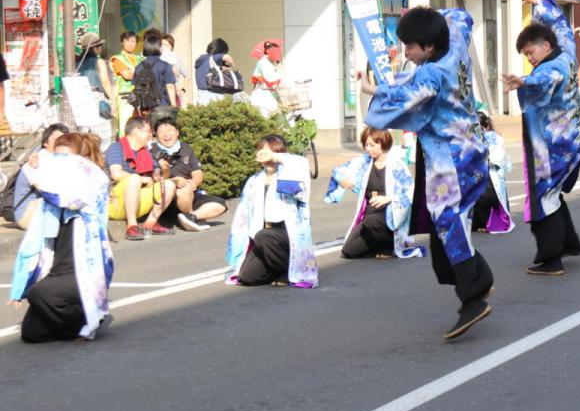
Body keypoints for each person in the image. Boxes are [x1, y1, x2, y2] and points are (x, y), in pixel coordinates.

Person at [366, 6, 495, 339]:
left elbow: (399, 101)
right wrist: (427, 16)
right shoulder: (455, 44)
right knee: (450, 224)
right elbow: (462, 17)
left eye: (410, 46)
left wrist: (373, 90)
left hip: (449, 160)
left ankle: (474, 297)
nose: (406, 52)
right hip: (473, 151)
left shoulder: (430, 74)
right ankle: (478, 279)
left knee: (448, 222)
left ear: (430, 47)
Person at [502, 0, 580, 276]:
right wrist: (538, 0)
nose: (530, 57)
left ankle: (552, 258)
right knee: (552, 195)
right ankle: (569, 243)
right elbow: (561, 25)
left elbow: (546, 79)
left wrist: (525, 81)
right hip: (569, 142)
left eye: (531, 51)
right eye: (526, 55)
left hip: (554, 148)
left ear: (546, 45)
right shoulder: (566, 52)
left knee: (543, 198)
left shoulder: (553, 67)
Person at [7, 133, 114, 343]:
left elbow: (65, 198)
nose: (58, 164)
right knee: (31, 333)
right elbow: (31, 244)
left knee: (38, 293)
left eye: (64, 159)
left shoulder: (92, 183)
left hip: (83, 273)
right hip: (57, 271)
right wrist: (20, 286)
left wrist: (35, 173)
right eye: (55, 158)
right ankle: (77, 315)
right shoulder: (51, 201)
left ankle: (86, 323)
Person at [227, 135, 317, 288]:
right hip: (261, 235)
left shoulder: (290, 175)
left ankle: (290, 271)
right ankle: (276, 270)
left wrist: (274, 157)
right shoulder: (254, 180)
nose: (267, 157)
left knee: (264, 236)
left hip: (286, 233)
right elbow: (243, 214)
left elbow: (300, 163)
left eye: (273, 152)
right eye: (263, 152)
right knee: (247, 276)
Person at [327, 126, 421, 260]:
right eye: (366, 145)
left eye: (371, 145)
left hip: (390, 215)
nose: (368, 149)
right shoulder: (364, 161)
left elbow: (411, 192)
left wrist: (389, 198)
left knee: (372, 221)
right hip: (369, 214)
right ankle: (379, 245)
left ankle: (389, 246)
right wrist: (342, 180)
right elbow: (338, 171)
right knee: (349, 250)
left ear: (382, 142)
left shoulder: (397, 164)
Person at [149, 118, 228, 232]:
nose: (166, 135)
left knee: (220, 204)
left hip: (190, 193)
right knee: (183, 191)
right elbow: (152, 178)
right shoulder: (151, 151)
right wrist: (174, 181)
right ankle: (189, 218)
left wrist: (193, 183)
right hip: (167, 198)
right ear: (156, 135)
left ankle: (192, 217)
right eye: (161, 132)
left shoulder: (186, 148)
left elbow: (197, 172)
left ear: (177, 132)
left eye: (170, 130)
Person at [104, 116, 175, 240]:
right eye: (148, 131)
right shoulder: (116, 147)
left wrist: (163, 170)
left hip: (138, 200)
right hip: (114, 203)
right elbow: (116, 174)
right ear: (136, 131)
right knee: (134, 179)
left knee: (169, 184)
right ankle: (132, 226)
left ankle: (150, 223)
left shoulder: (146, 152)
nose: (150, 134)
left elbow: (159, 176)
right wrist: (142, 179)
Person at [11, 124, 70, 230]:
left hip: (42, 209)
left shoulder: (57, 160)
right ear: (45, 142)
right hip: (26, 214)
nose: (61, 143)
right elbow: (46, 190)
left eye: (64, 140)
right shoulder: (36, 161)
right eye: (57, 139)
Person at [472, 110, 515, 234]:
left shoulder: (477, 140)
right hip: (496, 185)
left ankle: (483, 222)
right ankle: (486, 222)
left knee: (476, 193)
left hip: (487, 184)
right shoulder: (498, 138)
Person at [128, 29, 179, 117]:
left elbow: (135, 88)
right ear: (159, 47)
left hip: (145, 109)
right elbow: (170, 86)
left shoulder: (138, 67)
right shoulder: (165, 66)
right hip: (162, 107)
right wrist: (174, 106)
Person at [77, 33, 116, 126]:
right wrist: (113, 100)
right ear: (95, 48)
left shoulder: (76, 62)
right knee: (100, 130)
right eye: (100, 46)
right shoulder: (99, 62)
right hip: (96, 100)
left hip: (79, 100)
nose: (101, 48)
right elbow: (106, 83)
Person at [109, 31, 142, 132]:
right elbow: (127, 75)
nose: (130, 43)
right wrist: (140, 74)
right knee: (125, 126)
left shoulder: (141, 58)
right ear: (122, 42)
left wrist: (133, 72)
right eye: (127, 41)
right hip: (125, 98)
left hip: (141, 96)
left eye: (133, 41)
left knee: (140, 126)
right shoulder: (117, 59)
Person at [194, 38, 238, 105]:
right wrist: (232, 66)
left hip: (201, 95)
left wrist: (221, 67)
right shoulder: (215, 57)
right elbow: (227, 57)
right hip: (213, 95)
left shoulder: (201, 59)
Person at [249, 39, 283, 116]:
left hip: (267, 93)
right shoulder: (264, 62)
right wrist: (279, 71)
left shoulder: (269, 63)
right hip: (263, 94)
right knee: (269, 115)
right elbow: (270, 79)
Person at [160, 33, 187, 107]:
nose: (164, 47)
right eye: (162, 44)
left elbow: (187, 75)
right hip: (160, 96)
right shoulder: (157, 59)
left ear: (171, 47)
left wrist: (183, 90)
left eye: (167, 45)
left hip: (174, 95)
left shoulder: (176, 59)